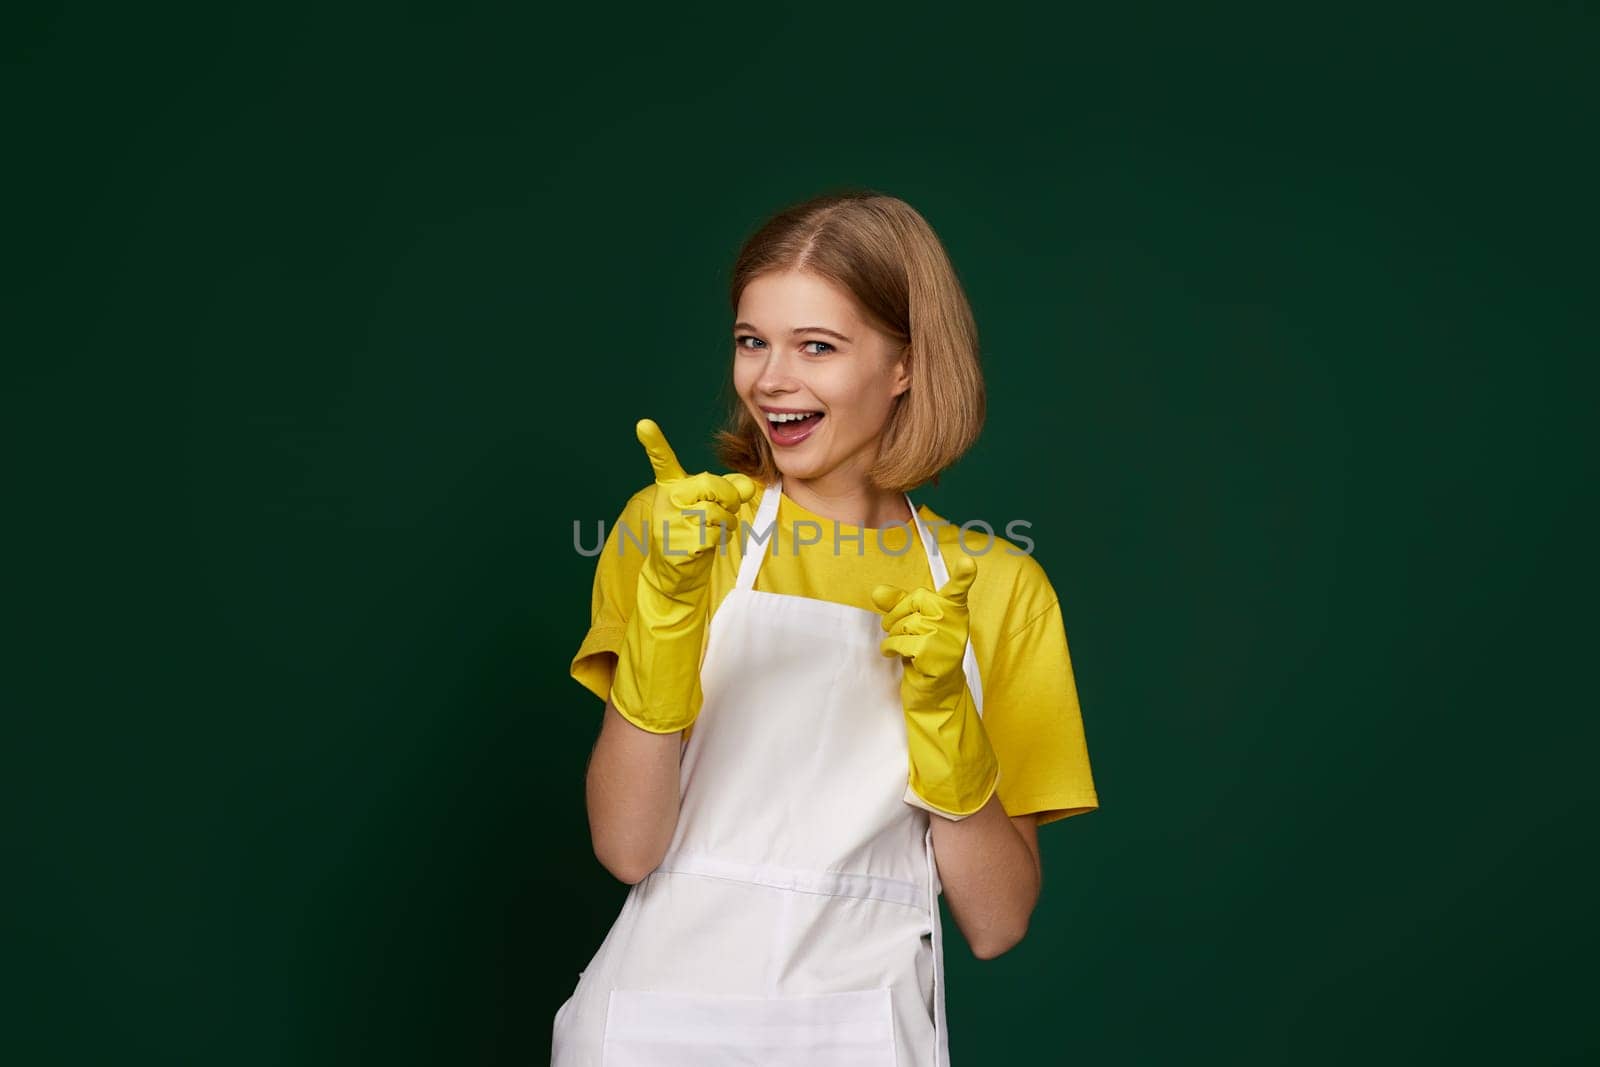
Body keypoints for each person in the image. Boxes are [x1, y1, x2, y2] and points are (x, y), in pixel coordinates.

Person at [552, 191, 1098, 1066]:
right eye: (751, 340)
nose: (771, 379)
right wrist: (663, 622)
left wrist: (948, 731)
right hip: (653, 1025)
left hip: (861, 1034)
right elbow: (626, 847)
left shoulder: (993, 588)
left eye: (818, 346)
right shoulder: (677, 529)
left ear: (906, 365)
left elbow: (997, 922)